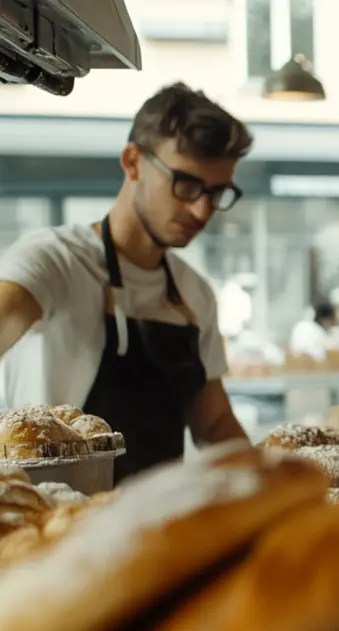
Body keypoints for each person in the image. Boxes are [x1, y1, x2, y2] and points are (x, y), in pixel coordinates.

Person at [0, 83, 253, 481]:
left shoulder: (194, 294)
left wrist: (271, 488)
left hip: (157, 530)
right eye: (186, 184)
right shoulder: (55, 261)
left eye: (217, 192)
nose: (202, 209)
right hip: (60, 525)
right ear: (132, 162)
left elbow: (215, 425)